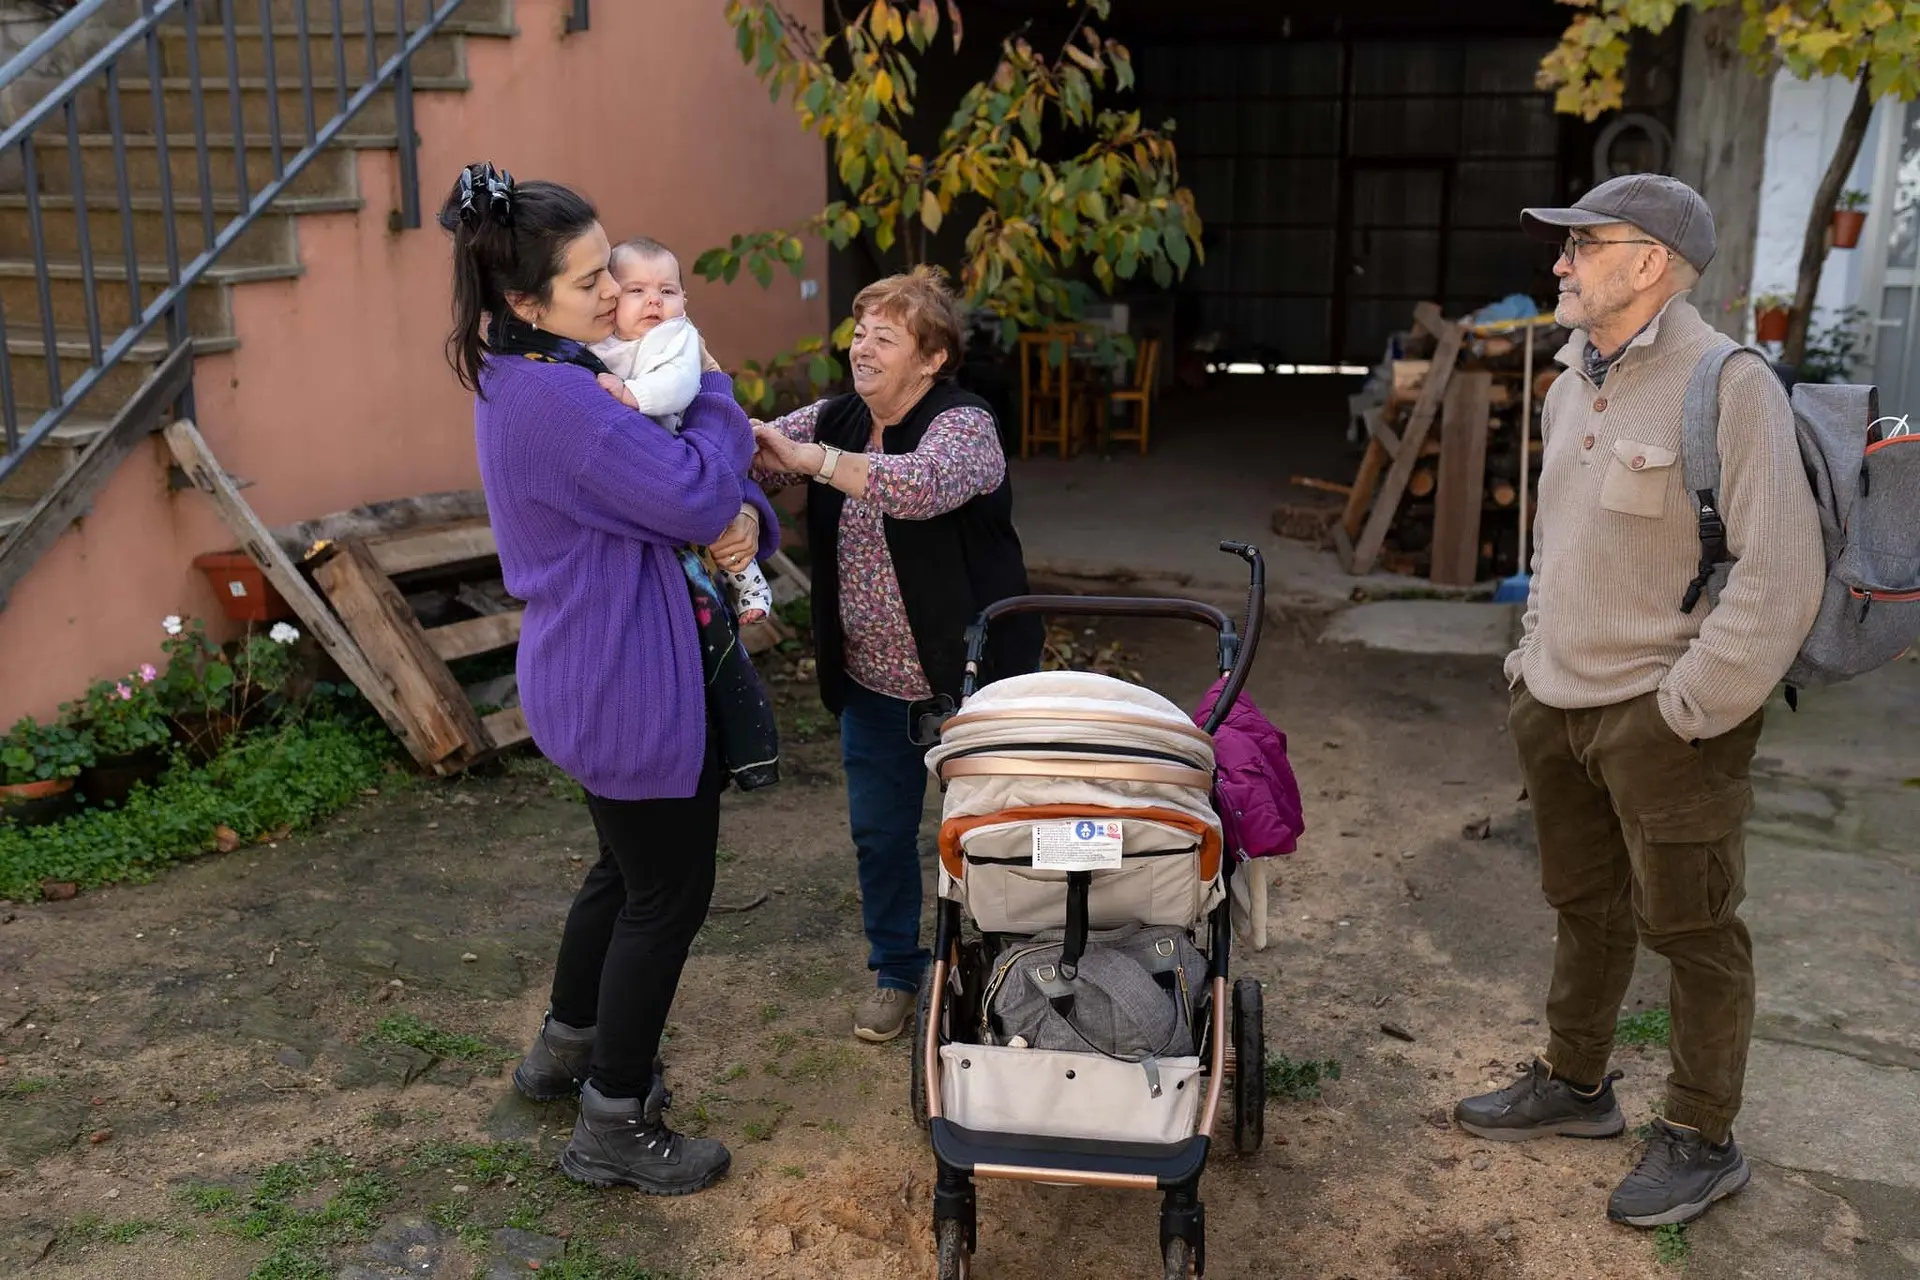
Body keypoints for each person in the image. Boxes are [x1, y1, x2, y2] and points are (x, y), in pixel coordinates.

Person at [1453, 174, 1825, 1228]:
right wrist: (1530, 662)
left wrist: (1684, 704)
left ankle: (1704, 1136)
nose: (1561, 263)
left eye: (1583, 244)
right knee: (1585, 904)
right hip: (1557, 699)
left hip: (1667, 718)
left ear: (1649, 261)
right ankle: (1577, 1084)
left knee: (1695, 927)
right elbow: (1559, 543)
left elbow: (1779, 576)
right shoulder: (1569, 379)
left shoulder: (1728, 383)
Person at [438, 161, 777, 1196]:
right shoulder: (561, 399)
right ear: (524, 299)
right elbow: (689, 491)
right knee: (667, 890)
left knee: (622, 871)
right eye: (590, 283)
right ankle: (614, 1119)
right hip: (628, 678)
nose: (615, 297)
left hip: (589, 666)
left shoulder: (527, 373)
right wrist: (714, 384)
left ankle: (567, 1047)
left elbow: (669, 495)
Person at [752, 266, 1044, 1043]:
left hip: (975, 684)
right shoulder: (839, 416)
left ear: (932, 357)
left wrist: (808, 460)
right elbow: (760, 452)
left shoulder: (964, 424)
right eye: (858, 332)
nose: (863, 347)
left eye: (886, 335)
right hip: (873, 682)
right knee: (880, 837)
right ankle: (898, 972)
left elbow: (921, 487)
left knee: (991, 839)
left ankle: (1010, 972)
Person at [591, 236, 773, 624]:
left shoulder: (676, 336)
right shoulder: (595, 343)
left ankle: (749, 581)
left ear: (684, 302)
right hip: (653, 471)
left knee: (724, 516)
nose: (654, 301)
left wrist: (633, 394)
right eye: (636, 290)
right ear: (610, 299)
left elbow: (679, 383)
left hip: (683, 438)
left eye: (667, 291)